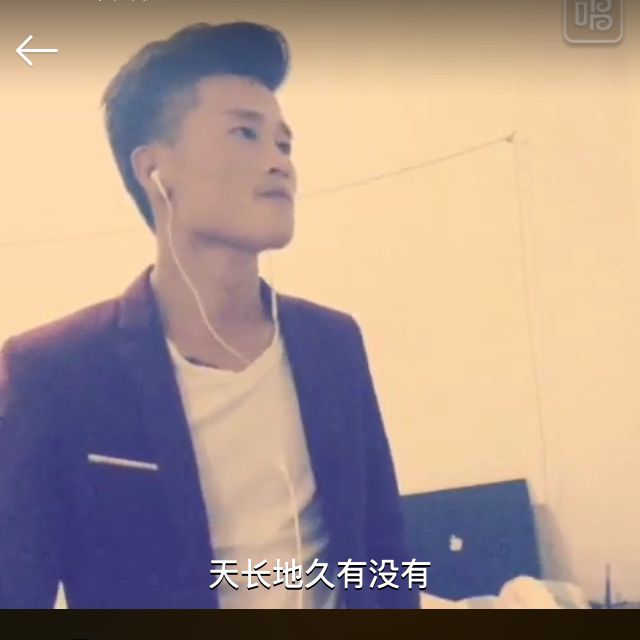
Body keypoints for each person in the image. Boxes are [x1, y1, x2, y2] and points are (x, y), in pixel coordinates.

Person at [0, 21, 419, 609]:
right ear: (154, 170)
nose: (279, 163)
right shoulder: (56, 369)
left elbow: (383, 554)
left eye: (284, 144)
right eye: (245, 133)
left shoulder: (333, 342)